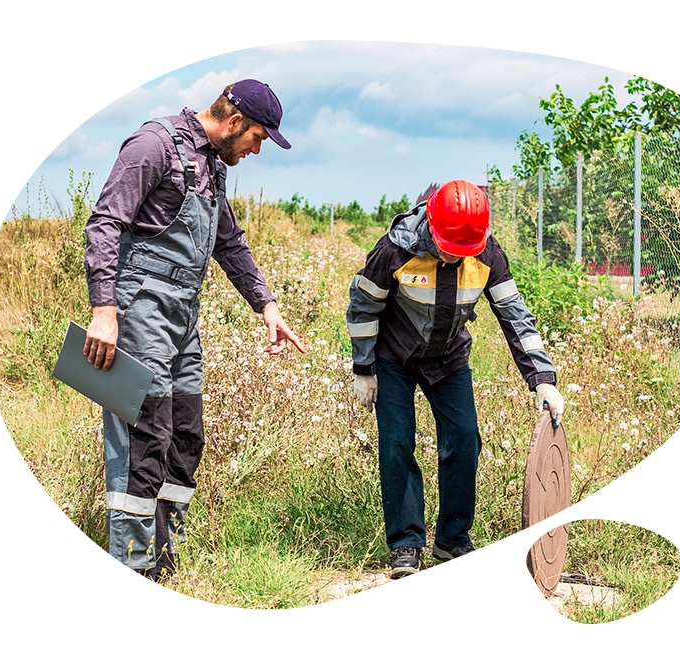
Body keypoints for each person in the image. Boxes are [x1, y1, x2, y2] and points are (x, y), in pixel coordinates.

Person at [83, 78, 306, 580]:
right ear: (233, 122)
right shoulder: (154, 144)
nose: (256, 150)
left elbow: (229, 242)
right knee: (147, 438)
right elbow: (104, 224)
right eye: (257, 139)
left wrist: (267, 305)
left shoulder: (209, 166)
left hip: (182, 315)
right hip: (141, 309)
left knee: (185, 436)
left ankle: (164, 563)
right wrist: (104, 309)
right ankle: (133, 571)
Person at [346, 179, 565, 579]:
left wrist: (543, 378)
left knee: (465, 440)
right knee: (397, 444)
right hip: (394, 359)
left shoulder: (488, 252)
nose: (454, 255)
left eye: (464, 250)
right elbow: (362, 306)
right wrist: (364, 368)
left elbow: (514, 315)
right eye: (449, 247)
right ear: (431, 225)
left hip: (448, 359)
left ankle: (451, 540)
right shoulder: (394, 250)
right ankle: (405, 545)